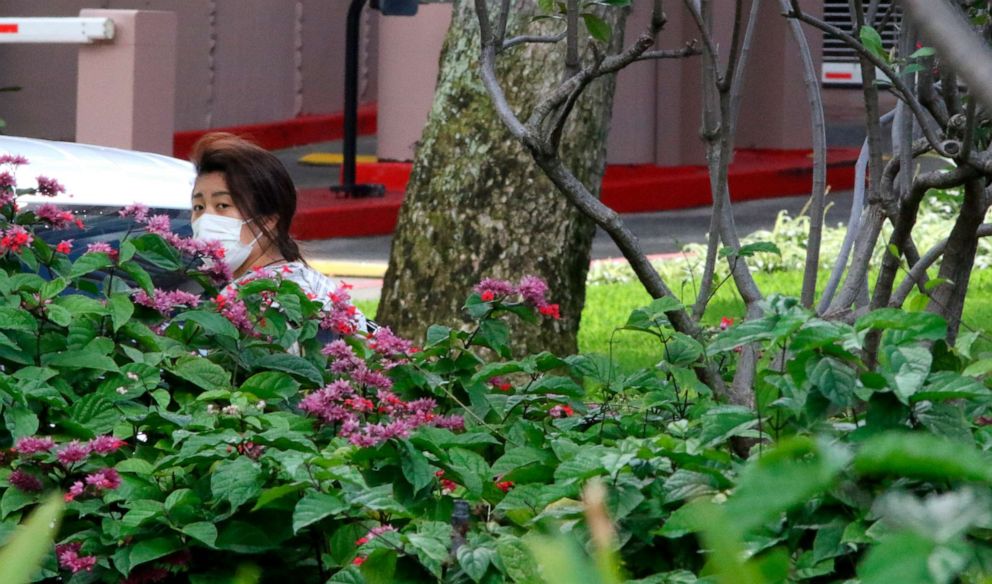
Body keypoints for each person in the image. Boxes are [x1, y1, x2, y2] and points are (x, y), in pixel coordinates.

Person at [188, 132, 369, 331]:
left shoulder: (263, 301)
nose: (206, 219)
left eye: (222, 205)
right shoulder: (305, 280)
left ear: (268, 220)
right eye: (198, 207)